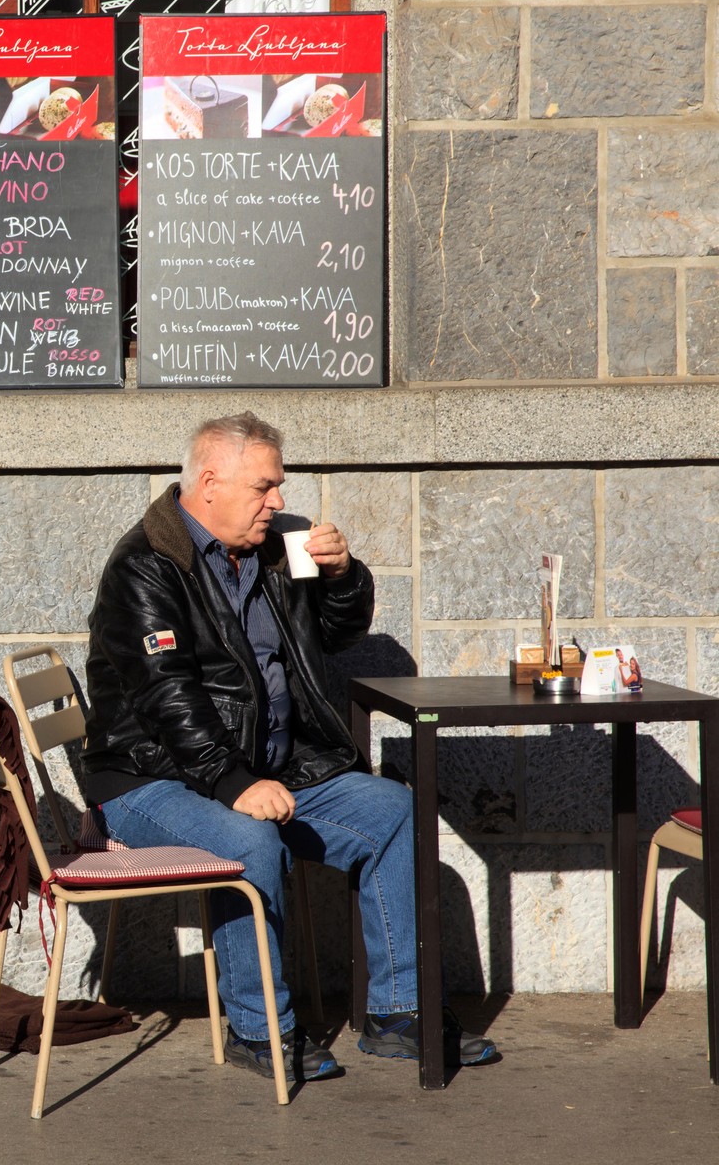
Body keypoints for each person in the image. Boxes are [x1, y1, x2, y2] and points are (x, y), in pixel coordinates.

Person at [81, 411, 497, 1081]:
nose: (278, 501)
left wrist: (342, 576)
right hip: (149, 780)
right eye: (264, 487)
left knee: (396, 812)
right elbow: (167, 699)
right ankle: (258, 1030)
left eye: (279, 486)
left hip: (273, 766)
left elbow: (337, 635)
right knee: (249, 841)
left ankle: (397, 1015)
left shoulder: (277, 548)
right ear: (209, 482)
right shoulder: (144, 568)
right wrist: (232, 784)